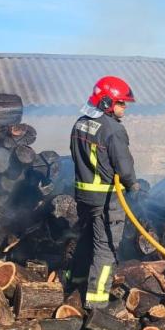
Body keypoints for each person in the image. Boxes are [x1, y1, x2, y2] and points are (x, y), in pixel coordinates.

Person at [68, 76, 141, 310]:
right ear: (106, 102)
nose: (125, 107)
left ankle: (74, 285)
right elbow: (124, 168)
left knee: (86, 240)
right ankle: (96, 304)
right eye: (121, 103)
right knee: (105, 249)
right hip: (107, 199)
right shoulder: (113, 130)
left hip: (84, 197)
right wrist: (133, 186)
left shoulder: (80, 123)